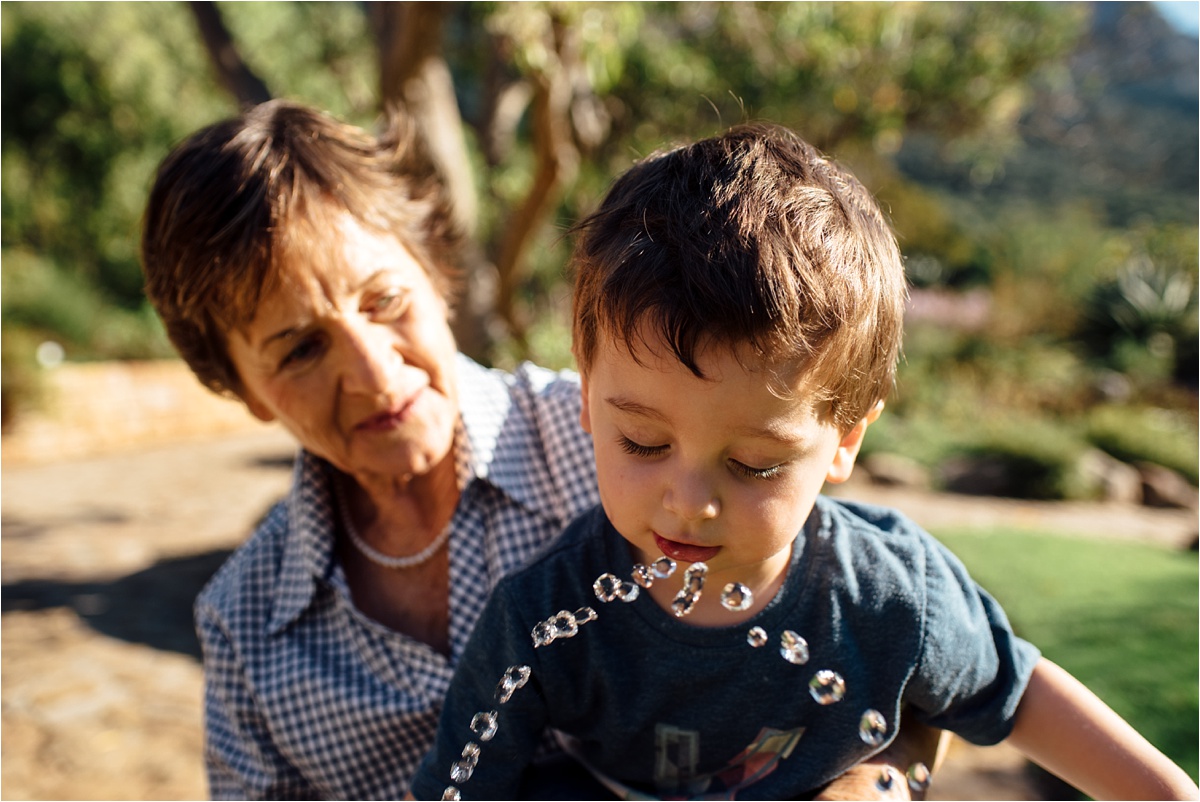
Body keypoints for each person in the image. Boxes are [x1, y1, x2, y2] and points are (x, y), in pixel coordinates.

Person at [140, 101, 937, 799]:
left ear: (436, 271)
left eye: (384, 300)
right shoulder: (247, 626)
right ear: (241, 387)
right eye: (300, 349)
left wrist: (879, 785)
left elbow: (899, 652)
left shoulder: (636, 444)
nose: (373, 371)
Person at [409, 123, 1199, 801]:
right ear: (587, 401)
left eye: (753, 463)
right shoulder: (546, 617)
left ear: (846, 440)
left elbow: (1016, 693)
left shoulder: (891, 599)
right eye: (643, 443)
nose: (688, 501)